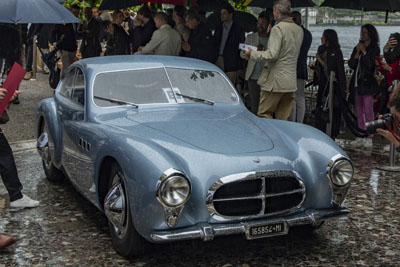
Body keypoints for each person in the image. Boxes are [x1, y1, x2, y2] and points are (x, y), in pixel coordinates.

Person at [243, 0, 303, 120]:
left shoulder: (278, 28)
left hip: (274, 82)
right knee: (283, 118)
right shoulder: (299, 30)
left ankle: (266, 138)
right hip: (290, 82)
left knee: (264, 114)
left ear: (276, 11)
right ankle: (280, 138)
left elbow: (272, 54)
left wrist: (252, 54)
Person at [348, 24, 380, 148]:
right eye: (362, 32)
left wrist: (364, 52)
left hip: (368, 83)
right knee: (359, 109)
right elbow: (351, 64)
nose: (363, 35)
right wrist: (357, 53)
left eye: (365, 33)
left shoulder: (374, 49)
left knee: (368, 110)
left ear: (371, 34)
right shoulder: (358, 47)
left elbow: (370, 65)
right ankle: (361, 133)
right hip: (357, 82)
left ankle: (370, 135)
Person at [314, 29, 347, 139]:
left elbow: (337, 71)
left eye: (323, 37)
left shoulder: (336, 52)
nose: (321, 39)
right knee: (321, 108)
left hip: (332, 86)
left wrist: (343, 89)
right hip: (323, 85)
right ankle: (321, 131)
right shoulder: (322, 50)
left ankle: (332, 133)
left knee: (333, 110)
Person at [240, 11, 271, 115]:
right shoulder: (251, 37)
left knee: (267, 105)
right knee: (254, 104)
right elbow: (241, 54)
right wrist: (249, 52)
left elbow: (273, 56)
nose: (260, 26)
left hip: (267, 76)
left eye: (263, 23)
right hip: (253, 76)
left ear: (268, 25)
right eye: (258, 23)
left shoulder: (273, 38)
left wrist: (263, 50)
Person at [289, 11, 312, 123]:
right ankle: (295, 121)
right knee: (293, 98)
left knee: (298, 98)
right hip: (295, 68)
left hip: (298, 69)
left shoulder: (304, 34)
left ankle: (299, 122)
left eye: (294, 19)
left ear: (299, 20)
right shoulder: (305, 33)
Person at [215, 3, 245, 86]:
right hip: (218, 59)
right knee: (217, 84)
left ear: (230, 14)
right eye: (221, 13)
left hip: (232, 61)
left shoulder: (238, 29)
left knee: (229, 85)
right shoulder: (218, 27)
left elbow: (241, 47)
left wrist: (239, 67)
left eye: (224, 13)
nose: (222, 15)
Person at [51, 4, 80, 73]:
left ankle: (66, 81)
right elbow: (53, 31)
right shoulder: (63, 21)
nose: (76, 14)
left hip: (72, 48)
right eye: (74, 12)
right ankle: (64, 82)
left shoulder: (76, 22)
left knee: (70, 67)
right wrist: (55, 42)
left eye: (77, 13)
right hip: (64, 47)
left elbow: (75, 33)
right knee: (66, 68)